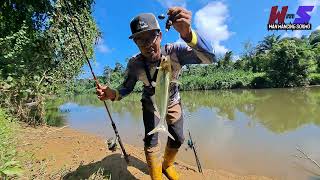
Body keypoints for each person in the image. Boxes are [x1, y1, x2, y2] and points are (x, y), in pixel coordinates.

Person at [96, 7, 215, 180]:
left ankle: (167, 165)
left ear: (159, 35)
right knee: (151, 141)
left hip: (173, 100)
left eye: (150, 36)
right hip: (150, 104)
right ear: (135, 43)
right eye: (139, 40)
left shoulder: (176, 52)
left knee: (179, 137)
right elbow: (126, 88)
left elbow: (210, 58)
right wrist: (112, 94)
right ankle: (156, 174)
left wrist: (188, 34)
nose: (146, 44)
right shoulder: (135, 64)